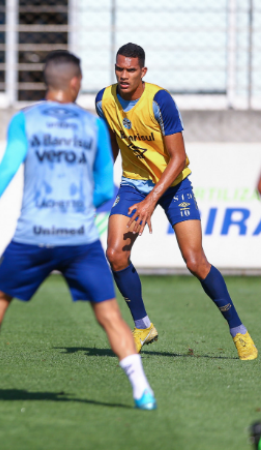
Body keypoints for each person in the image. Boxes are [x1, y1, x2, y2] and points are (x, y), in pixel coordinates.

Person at [0, 51, 156, 410]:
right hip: (79, 238)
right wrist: (89, 208)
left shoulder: (25, 120)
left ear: (46, 83)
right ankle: (142, 391)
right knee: (109, 314)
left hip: (34, 236)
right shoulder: (94, 126)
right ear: (76, 83)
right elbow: (104, 189)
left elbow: (5, 171)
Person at [96, 43, 256, 360]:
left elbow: (179, 157)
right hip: (133, 185)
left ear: (143, 71)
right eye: (119, 68)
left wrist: (151, 200)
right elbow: (111, 145)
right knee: (115, 255)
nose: (124, 75)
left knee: (195, 261)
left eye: (131, 70)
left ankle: (238, 330)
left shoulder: (160, 100)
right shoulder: (104, 100)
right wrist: (101, 186)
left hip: (173, 184)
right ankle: (142, 325)